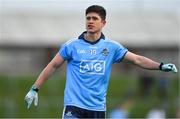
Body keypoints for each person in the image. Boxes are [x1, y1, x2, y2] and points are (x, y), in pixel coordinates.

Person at [24, 5, 178, 118]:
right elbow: (53, 65)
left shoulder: (112, 47)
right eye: (88, 18)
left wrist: (160, 66)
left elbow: (137, 60)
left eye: (94, 18)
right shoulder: (72, 46)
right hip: (74, 106)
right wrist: (34, 88)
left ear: (103, 23)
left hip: (97, 108)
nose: (90, 21)